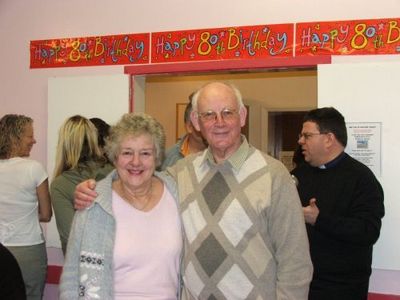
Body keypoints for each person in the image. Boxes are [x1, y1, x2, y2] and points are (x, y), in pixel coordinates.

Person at [75, 82, 313, 299]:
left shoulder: (274, 175)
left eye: (227, 112)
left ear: (242, 116)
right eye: (209, 114)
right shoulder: (181, 173)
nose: (219, 122)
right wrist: (98, 188)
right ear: (197, 123)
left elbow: (296, 263)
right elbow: (139, 175)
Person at [60, 113, 183, 299]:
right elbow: (71, 277)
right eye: (127, 153)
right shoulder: (94, 204)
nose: (136, 162)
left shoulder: (177, 195)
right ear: (115, 157)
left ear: (157, 157)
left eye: (145, 153)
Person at [291, 107, 385, 300]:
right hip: (299, 285)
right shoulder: (299, 175)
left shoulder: (361, 179)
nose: (300, 141)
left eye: (307, 135)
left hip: (342, 290)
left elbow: (368, 231)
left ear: (328, 139)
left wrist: (319, 219)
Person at [0, 114, 52, 300]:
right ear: (15, 137)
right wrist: (26, 214)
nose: (34, 140)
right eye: (30, 136)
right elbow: (46, 214)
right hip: (27, 249)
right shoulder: (33, 168)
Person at [50, 115, 114, 254]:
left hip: (81, 266)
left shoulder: (60, 185)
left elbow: (70, 237)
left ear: (64, 145)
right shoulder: (115, 173)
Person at [160, 95, 207, 170]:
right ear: (189, 127)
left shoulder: (223, 154)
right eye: (201, 122)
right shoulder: (167, 159)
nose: (208, 126)